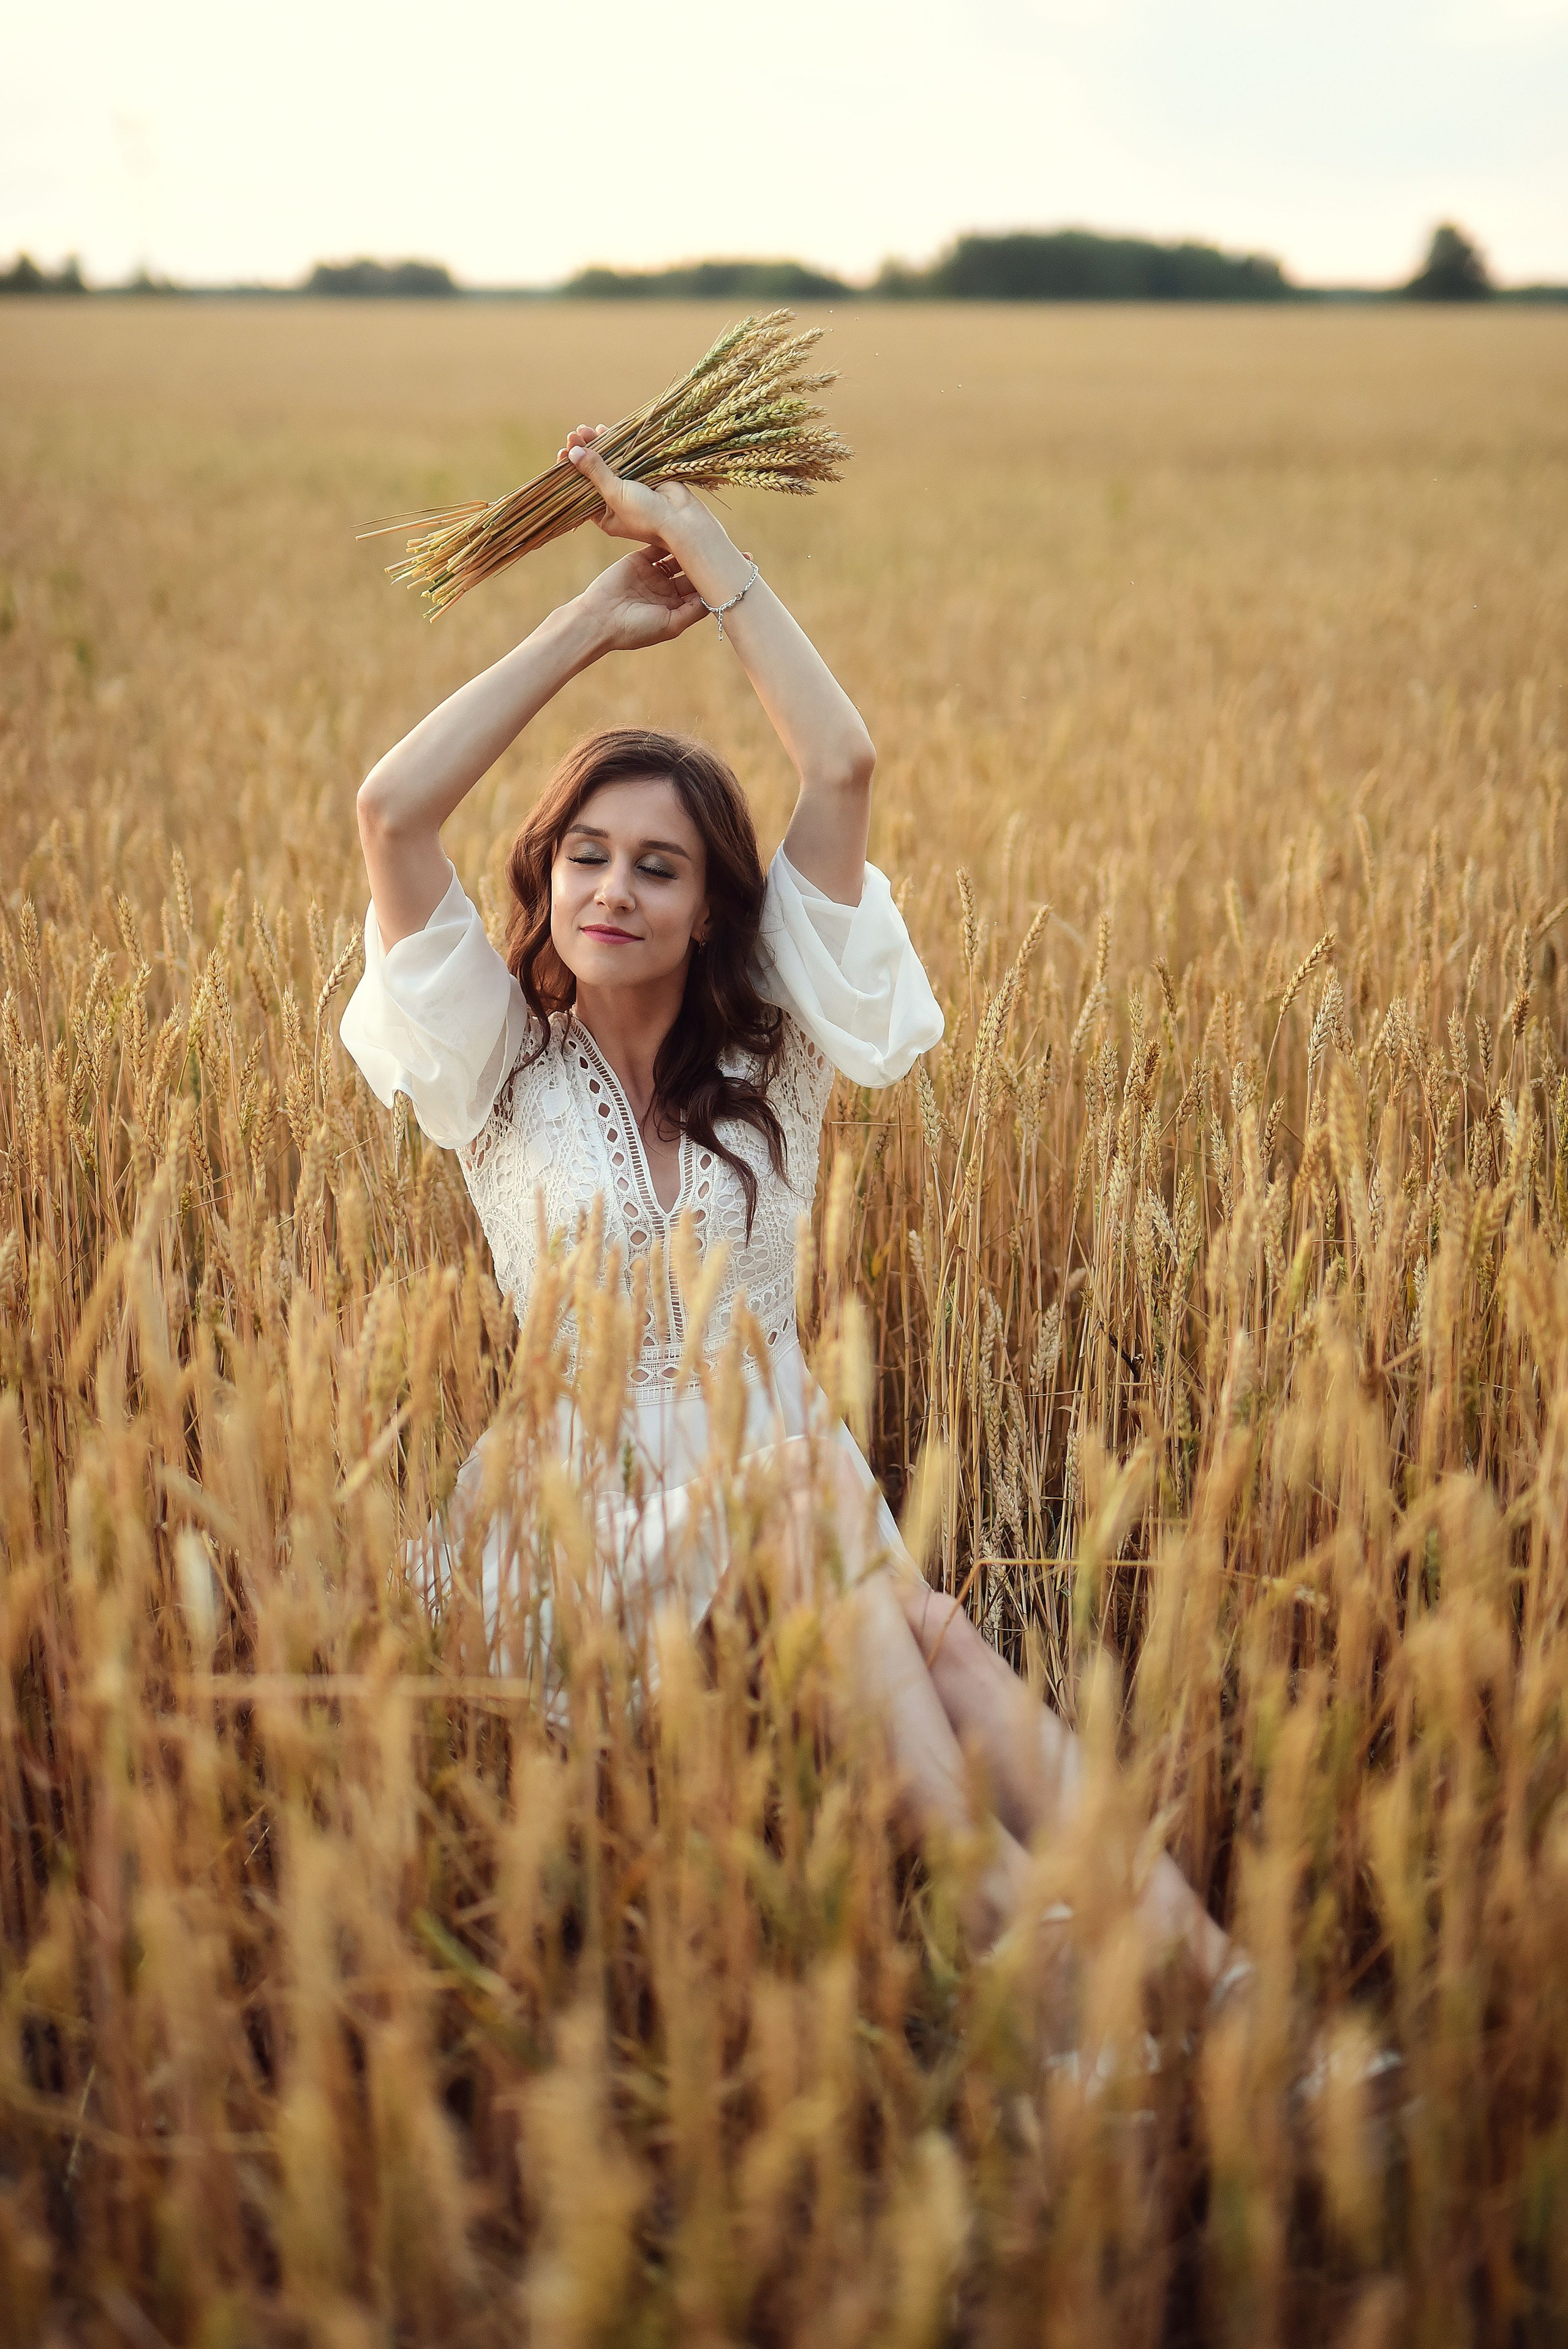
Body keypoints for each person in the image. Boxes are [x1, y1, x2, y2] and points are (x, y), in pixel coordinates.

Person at [340, 426, 1230, 1983]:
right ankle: (1070, 1975)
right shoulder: (495, 1062)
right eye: (586, 857)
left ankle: (1191, 1976)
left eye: (659, 867)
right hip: (574, 1523)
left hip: (781, 1473)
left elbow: (840, 766)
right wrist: (593, 620)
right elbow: (391, 809)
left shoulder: (776, 1050)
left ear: (711, 909)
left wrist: (711, 557)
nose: (613, 889)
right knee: (862, 1564)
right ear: (548, 877)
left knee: (921, 1622)